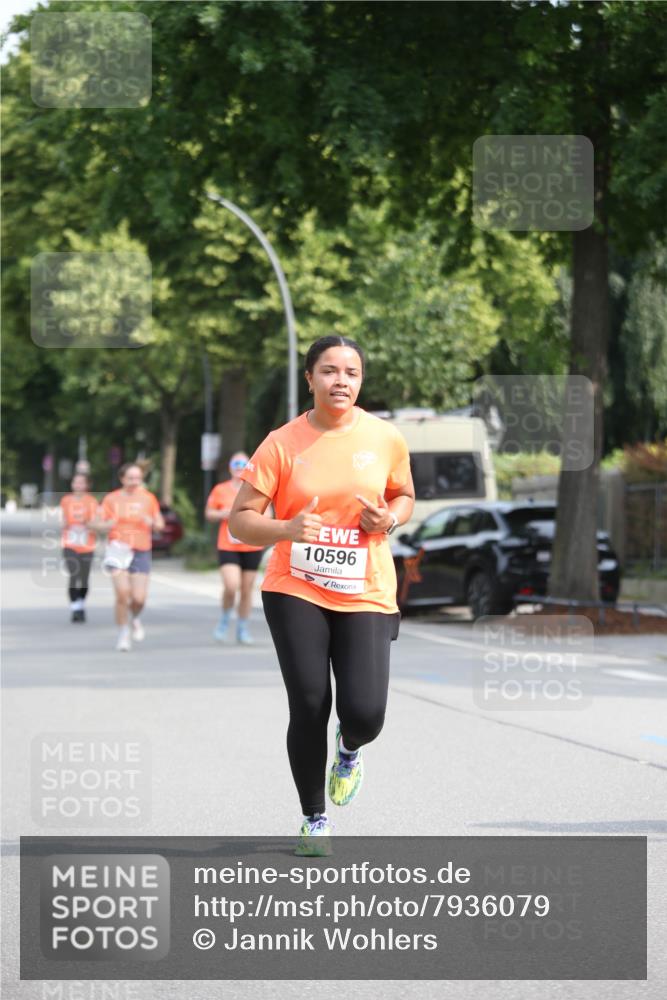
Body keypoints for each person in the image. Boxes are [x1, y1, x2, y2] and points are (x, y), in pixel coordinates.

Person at [229, 335, 415, 855]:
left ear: (360, 381)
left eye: (351, 373)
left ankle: (350, 750)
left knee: (365, 714)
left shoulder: (385, 438)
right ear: (309, 378)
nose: (341, 381)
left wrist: (391, 518)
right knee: (310, 702)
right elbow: (241, 522)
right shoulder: (282, 443)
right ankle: (314, 819)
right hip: (296, 587)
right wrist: (287, 528)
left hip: (367, 590)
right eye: (329, 371)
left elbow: (404, 494)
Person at [92, 463, 164, 652]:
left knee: (139, 599)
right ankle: (123, 633)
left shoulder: (149, 498)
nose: (134, 482)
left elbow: (160, 524)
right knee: (123, 594)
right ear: (122, 479)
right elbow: (96, 523)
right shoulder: (111, 499)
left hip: (140, 550)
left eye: (138, 478)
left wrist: (153, 522)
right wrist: (105, 525)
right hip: (117, 549)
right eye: (130, 478)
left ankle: (135, 618)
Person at [205, 452, 264, 645]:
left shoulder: (256, 488)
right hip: (228, 545)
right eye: (235, 463)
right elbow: (209, 513)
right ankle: (224, 619)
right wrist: (224, 513)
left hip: (252, 545)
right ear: (230, 467)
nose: (239, 466)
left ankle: (242, 627)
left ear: (249, 466)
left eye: (243, 463)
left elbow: (268, 512)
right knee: (231, 586)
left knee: (246, 590)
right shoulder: (220, 489)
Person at [59, 472, 98, 622]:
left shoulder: (92, 501)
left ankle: (81, 603)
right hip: (70, 543)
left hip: (87, 544)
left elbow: (95, 523)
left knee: (84, 578)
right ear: (72, 484)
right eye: (76, 482)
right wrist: (65, 524)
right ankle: (75, 607)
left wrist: (87, 523)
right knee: (74, 574)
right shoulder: (66, 500)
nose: (78, 486)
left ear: (87, 485)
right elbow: (62, 520)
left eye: (81, 483)